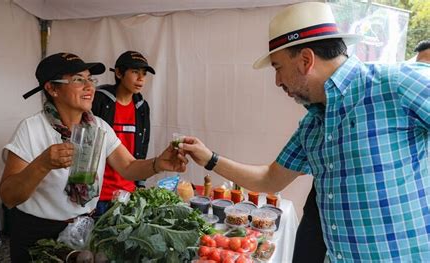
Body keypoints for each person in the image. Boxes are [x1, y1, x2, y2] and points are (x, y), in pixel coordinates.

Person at [180, 2, 429, 261]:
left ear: (306, 60)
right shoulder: (313, 124)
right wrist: (209, 158)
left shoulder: (394, 84)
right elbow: (270, 179)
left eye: (277, 67)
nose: (277, 81)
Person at [0, 52, 187, 262]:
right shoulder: (31, 129)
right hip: (38, 235)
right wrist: (42, 164)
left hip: (83, 230)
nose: (90, 87)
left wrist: (157, 164)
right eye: (79, 80)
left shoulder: (98, 126)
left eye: (90, 79)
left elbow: (128, 166)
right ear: (52, 88)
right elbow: (8, 196)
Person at [91, 51, 155, 217]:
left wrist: (140, 184)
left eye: (144, 74)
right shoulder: (99, 100)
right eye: (135, 72)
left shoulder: (142, 107)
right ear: (119, 73)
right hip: (98, 193)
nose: (141, 78)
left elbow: (143, 144)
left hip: (127, 192)